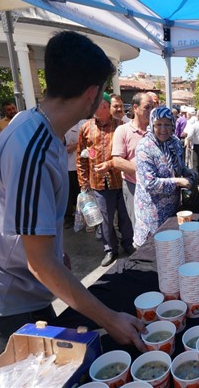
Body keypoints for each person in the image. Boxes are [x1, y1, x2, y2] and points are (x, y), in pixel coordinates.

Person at [0, 31, 147, 362]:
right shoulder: (31, 148)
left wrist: (52, 253)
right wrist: (110, 319)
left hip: (17, 291)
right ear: (92, 94)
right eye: (104, 92)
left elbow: (33, 242)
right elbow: (39, 263)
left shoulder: (35, 129)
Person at [77, 92, 135, 267]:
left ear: (104, 106)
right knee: (105, 219)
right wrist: (83, 183)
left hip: (122, 179)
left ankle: (128, 243)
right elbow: (81, 157)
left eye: (95, 104)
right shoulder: (86, 128)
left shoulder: (121, 126)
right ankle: (110, 249)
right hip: (98, 183)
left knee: (125, 217)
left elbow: (129, 154)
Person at [134, 106, 197, 246]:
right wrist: (178, 181)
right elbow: (150, 184)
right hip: (152, 215)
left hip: (173, 210)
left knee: (172, 251)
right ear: (152, 124)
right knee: (153, 253)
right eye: (158, 124)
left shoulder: (174, 142)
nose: (163, 129)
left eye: (167, 124)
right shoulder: (145, 147)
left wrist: (187, 172)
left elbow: (177, 167)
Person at [112, 92, 152, 227]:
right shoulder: (123, 130)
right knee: (139, 228)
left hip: (157, 188)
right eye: (147, 107)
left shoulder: (157, 130)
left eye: (152, 107)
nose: (150, 111)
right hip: (134, 186)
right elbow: (117, 161)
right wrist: (145, 172)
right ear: (135, 108)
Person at [64, 118, 83, 228]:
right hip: (63, 166)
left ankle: (80, 216)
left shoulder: (80, 123)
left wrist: (75, 146)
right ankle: (68, 217)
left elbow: (86, 139)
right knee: (67, 194)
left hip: (77, 165)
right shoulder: (57, 123)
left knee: (78, 192)